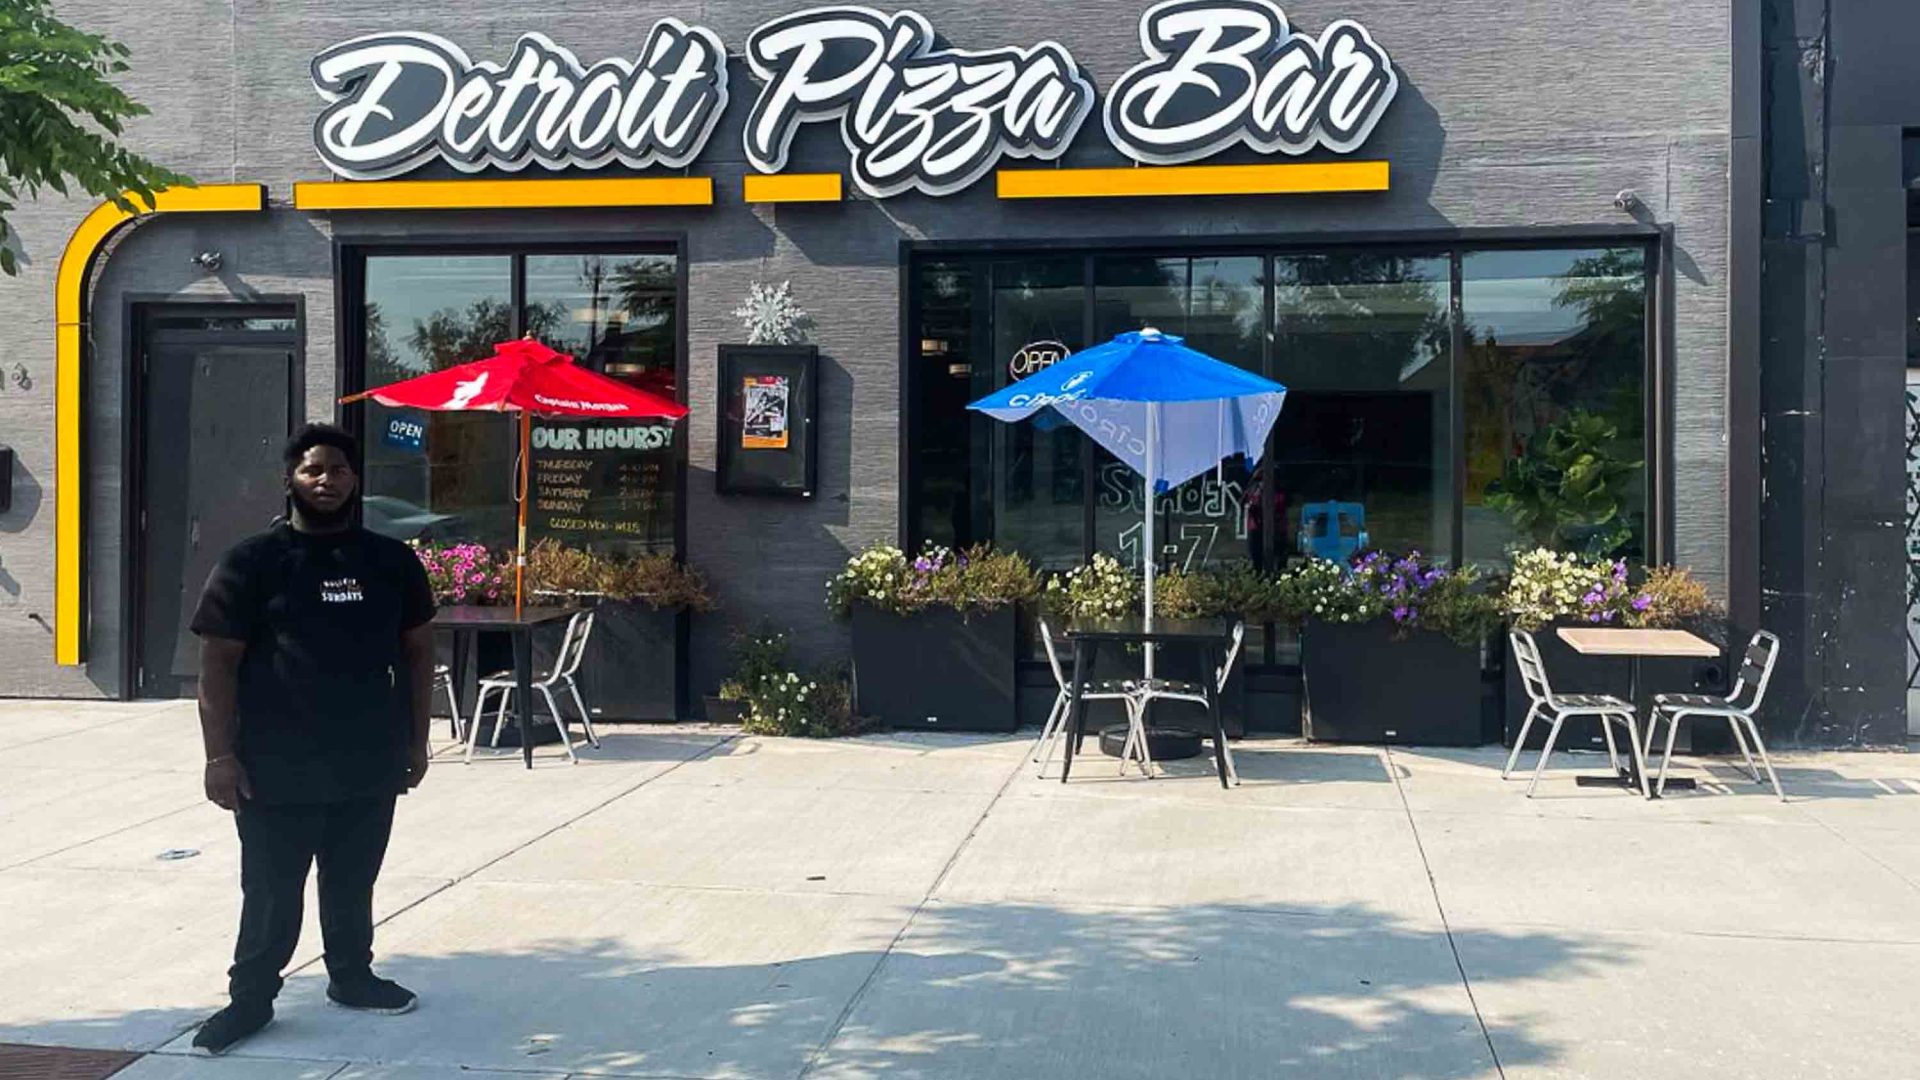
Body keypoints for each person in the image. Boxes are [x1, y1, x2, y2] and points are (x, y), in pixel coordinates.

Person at [189, 422, 437, 1056]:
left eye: (339, 470)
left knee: (353, 881)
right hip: (275, 764)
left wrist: (416, 741)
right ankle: (250, 1001)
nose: (327, 481)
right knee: (272, 892)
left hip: (368, 758)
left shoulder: (391, 562)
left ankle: (352, 978)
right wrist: (220, 756)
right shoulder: (252, 563)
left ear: (357, 480)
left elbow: (416, 655)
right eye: (313, 470)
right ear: (290, 478)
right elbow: (217, 664)